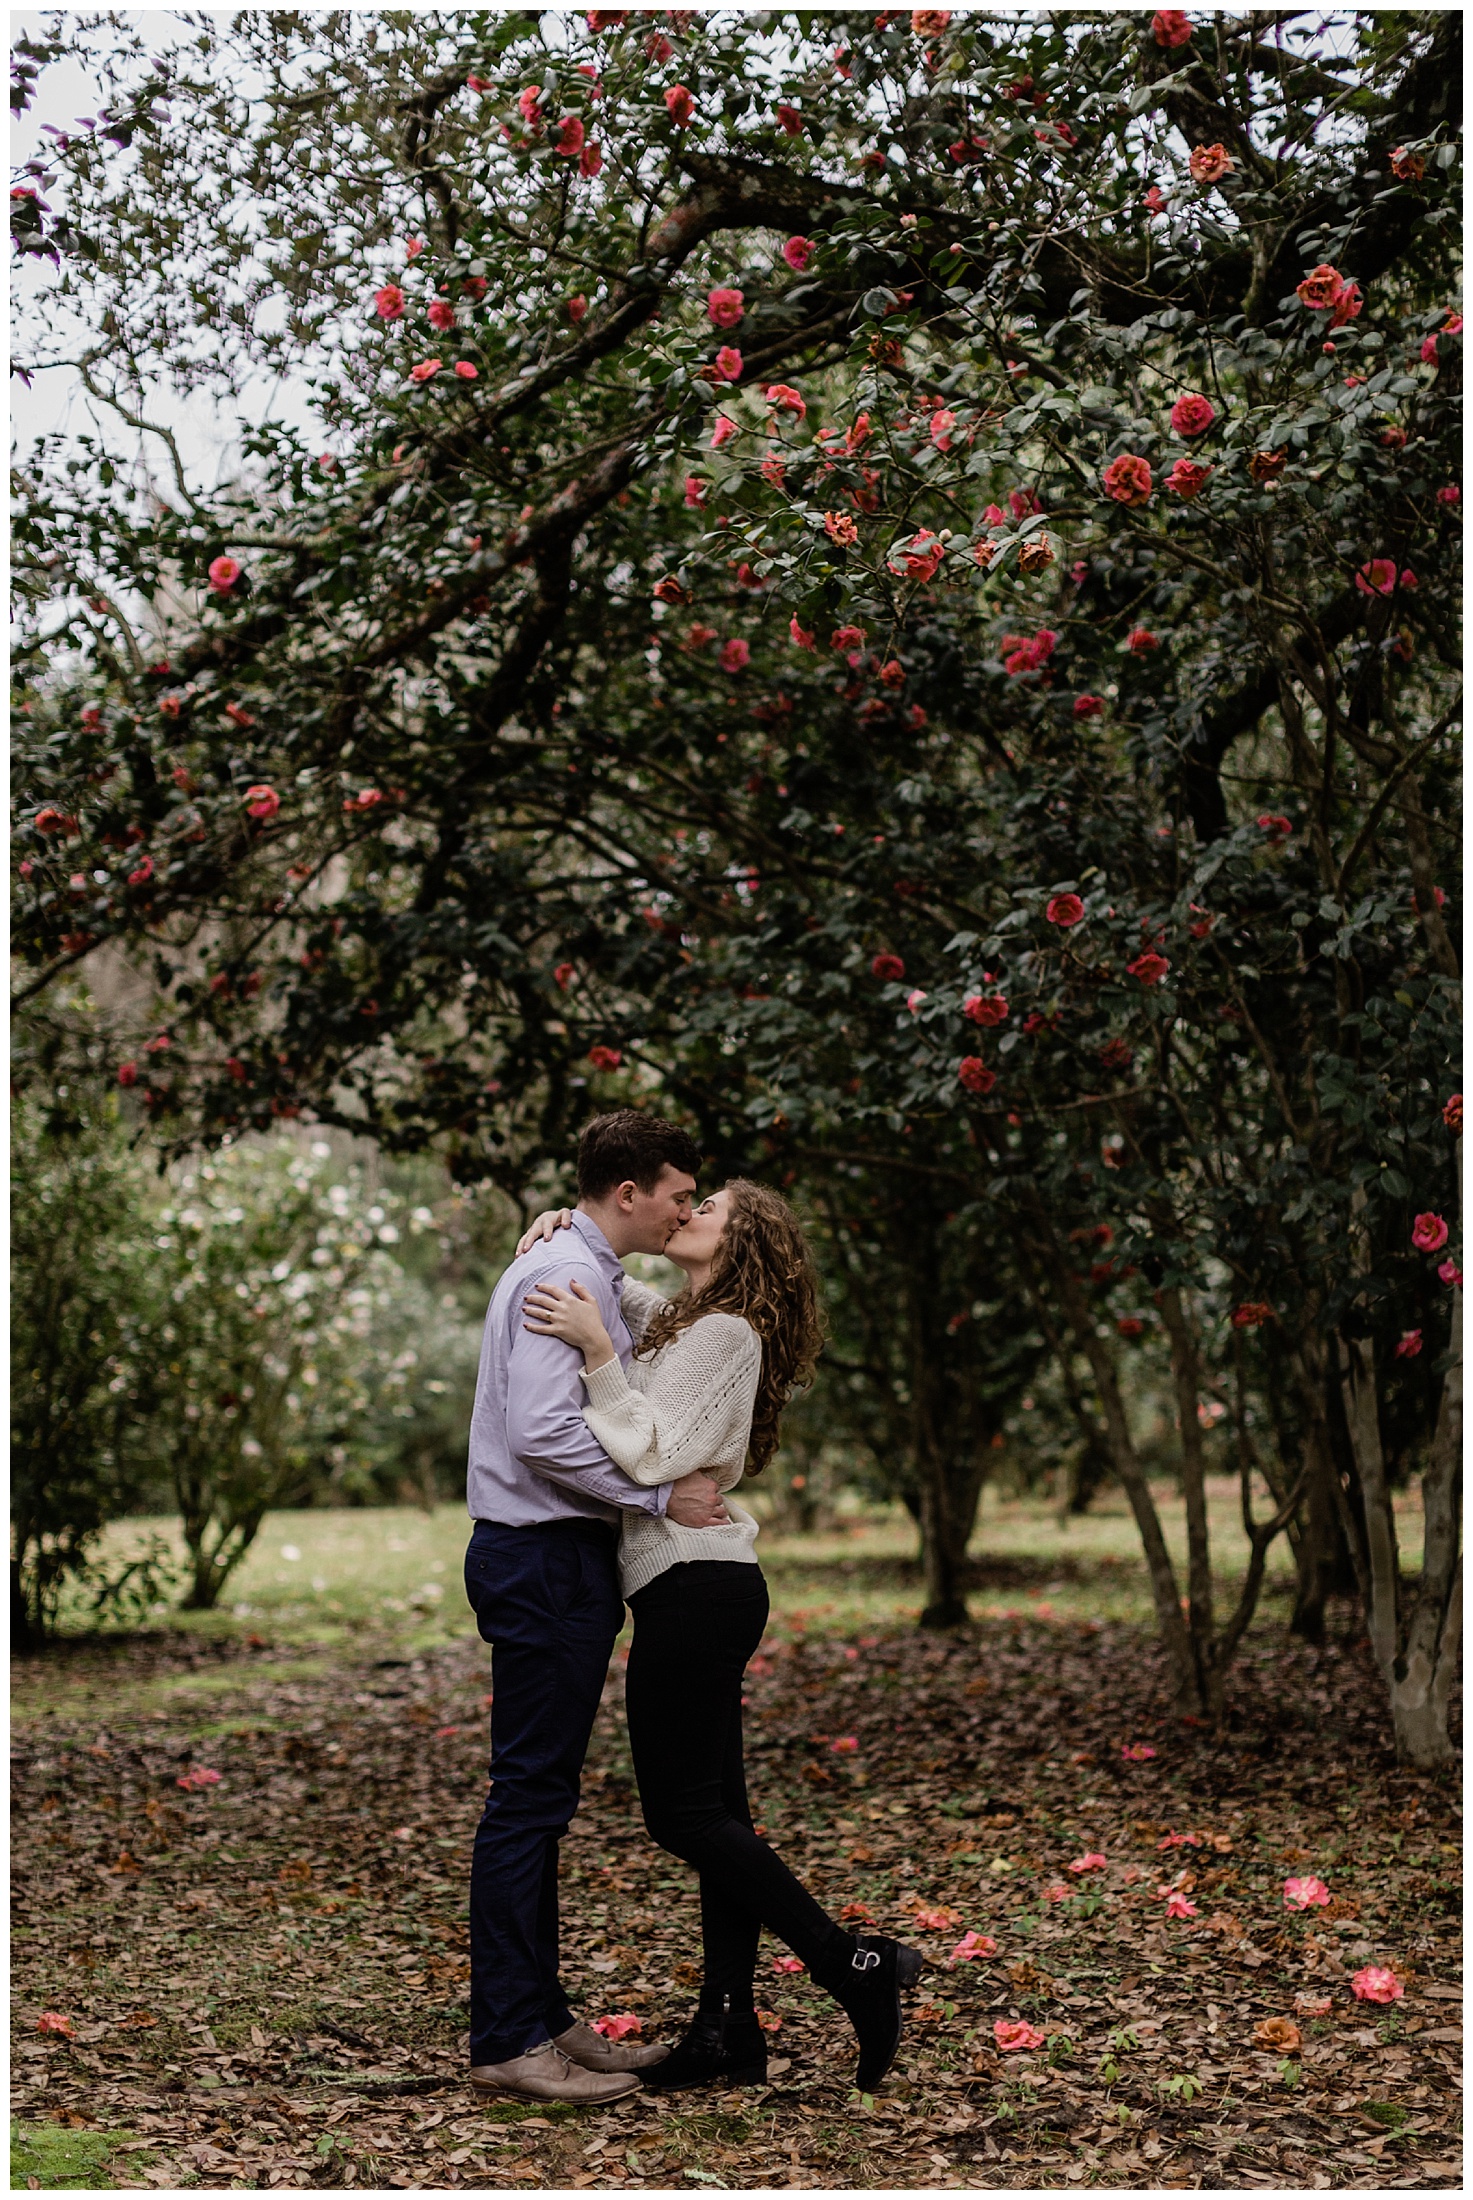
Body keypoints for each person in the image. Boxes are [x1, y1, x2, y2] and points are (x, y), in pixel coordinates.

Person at [519, 1178, 924, 2095]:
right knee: (718, 1818)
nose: (686, 1212)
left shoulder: (724, 1333)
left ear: (739, 1246)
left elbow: (653, 1450)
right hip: (692, 1585)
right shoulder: (686, 1322)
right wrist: (563, 1227)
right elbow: (618, 1283)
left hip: (697, 1586)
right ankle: (727, 2030)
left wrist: (592, 1357)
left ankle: (847, 1965)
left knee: (683, 1816)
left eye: (708, 1209)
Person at [463, 1109, 733, 2107]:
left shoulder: (585, 1264)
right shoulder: (558, 1275)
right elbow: (541, 1431)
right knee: (527, 1798)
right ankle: (505, 2037)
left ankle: (540, 2015)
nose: (684, 1207)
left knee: (542, 1796)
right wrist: (658, 1495)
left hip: (555, 1557)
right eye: (676, 1192)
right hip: (541, 1558)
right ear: (630, 1193)